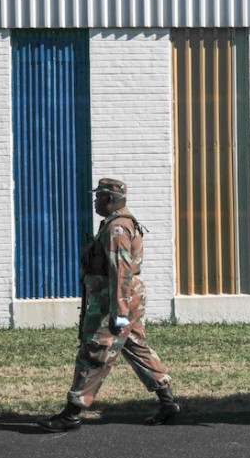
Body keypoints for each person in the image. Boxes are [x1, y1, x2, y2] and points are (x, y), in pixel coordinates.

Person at [38, 179, 180, 432]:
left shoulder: (117, 228)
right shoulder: (117, 224)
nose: (95, 202)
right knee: (136, 347)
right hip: (121, 298)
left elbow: (120, 270)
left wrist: (120, 311)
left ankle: (71, 414)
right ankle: (168, 403)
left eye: (98, 198)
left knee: (95, 352)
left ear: (110, 199)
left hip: (113, 300)